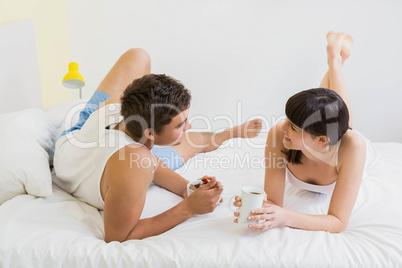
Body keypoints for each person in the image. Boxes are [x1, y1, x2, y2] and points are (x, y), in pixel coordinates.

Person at [53, 48, 262, 242]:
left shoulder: (121, 104)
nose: (189, 125)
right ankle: (225, 134)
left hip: (79, 135)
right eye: (181, 124)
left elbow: (148, 158)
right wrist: (188, 208)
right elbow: (118, 236)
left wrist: (186, 188)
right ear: (150, 133)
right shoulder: (135, 163)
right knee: (191, 143)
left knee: (138, 55)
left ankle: (218, 134)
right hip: (80, 151)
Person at [234, 31, 370, 233]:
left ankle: (335, 61)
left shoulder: (353, 147)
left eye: (294, 128)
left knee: (343, 119)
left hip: (340, 141)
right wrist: (260, 206)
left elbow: (338, 222)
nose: (283, 128)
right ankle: (335, 58)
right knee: (321, 104)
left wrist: (286, 217)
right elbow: (273, 200)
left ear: (322, 140)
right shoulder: (279, 132)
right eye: (288, 120)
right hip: (325, 133)